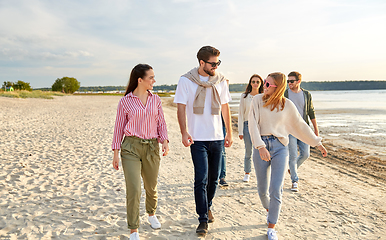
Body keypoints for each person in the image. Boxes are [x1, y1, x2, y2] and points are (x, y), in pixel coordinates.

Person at [248, 72, 327, 240]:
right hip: (261, 146)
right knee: (262, 191)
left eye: (268, 84)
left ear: (277, 88)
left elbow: (300, 126)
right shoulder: (257, 101)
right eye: (264, 83)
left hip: (280, 148)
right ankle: (270, 210)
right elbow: (252, 125)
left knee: (276, 189)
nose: (264, 86)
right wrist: (260, 146)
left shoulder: (287, 105)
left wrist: (317, 143)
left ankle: (271, 227)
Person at [174, 46, 233, 235]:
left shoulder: (221, 81)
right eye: (213, 63)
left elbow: (225, 108)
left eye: (218, 63)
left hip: (216, 137)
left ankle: (208, 205)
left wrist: (229, 133)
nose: (216, 66)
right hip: (197, 138)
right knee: (201, 179)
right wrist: (184, 132)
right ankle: (203, 219)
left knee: (214, 179)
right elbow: (181, 108)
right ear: (201, 63)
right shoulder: (186, 81)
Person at [111, 64, 169, 240]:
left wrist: (164, 141)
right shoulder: (125, 101)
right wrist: (115, 152)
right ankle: (133, 229)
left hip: (152, 147)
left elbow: (161, 123)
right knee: (134, 189)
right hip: (131, 148)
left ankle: (151, 214)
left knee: (151, 186)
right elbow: (118, 128)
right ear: (140, 80)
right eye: (151, 77)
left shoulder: (156, 99)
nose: (154, 80)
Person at [285, 71, 319, 192]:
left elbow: (311, 112)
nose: (289, 83)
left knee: (305, 154)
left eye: (291, 81)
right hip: (290, 129)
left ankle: (292, 168)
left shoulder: (306, 94)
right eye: (288, 81)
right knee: (293, 155)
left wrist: (315, 129)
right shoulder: (285, 94)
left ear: (298, 81)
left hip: (304, 128)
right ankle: (295, 180)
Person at [238, 74, 264, 182]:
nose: (255, 84)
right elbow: (240, 114)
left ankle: (261, 174)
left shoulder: (264, 96)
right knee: (248, 151)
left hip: (260, 126)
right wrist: (240, 131)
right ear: (250, 83)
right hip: (247, 125)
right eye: (253, 82)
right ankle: (247, 173)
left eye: (258, 82)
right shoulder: (244, 96)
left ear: (261, 83)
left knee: (259, 150)